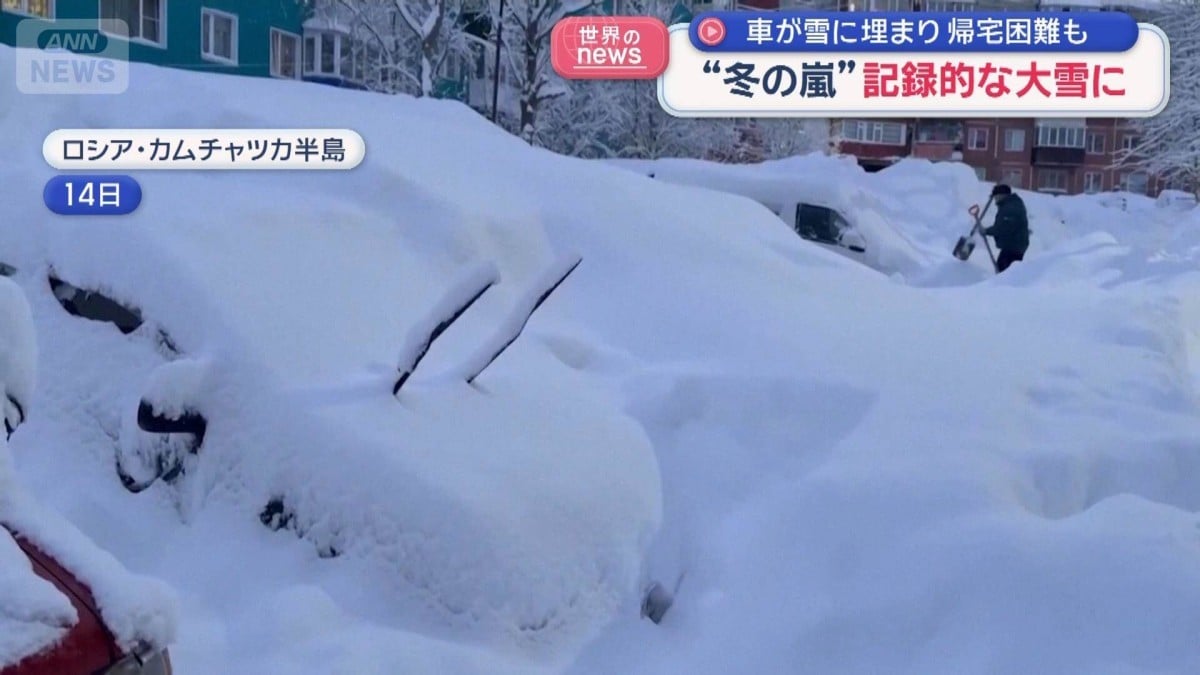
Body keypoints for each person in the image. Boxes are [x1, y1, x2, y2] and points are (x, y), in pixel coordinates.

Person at [983, 184, 1029, 272]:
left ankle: (1006, 285)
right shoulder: (1011, 204)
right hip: (1014, 245)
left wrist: (986, 231)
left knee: (1004, 271)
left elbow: (1003, 228)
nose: (995, 200)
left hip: (1014, 246)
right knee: (1006, 270)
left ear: (1002, 195)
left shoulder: (1010, 208)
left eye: (996, 197)